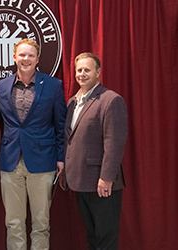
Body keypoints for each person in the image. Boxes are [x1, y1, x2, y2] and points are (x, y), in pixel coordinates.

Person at [0, 38, 67, 250]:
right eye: (22, 55)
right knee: (13, 223)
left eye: (30, 55)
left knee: (41, 223)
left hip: (42, 161)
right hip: (10, 162)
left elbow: (60, 124)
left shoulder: (54, 85)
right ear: (14, 57)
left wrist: (61, 158)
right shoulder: (2, 86)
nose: (26, 59)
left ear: (37, 59)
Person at [61, 52, 128, 250]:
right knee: (92, 235)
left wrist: (106, 177)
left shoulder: (110, 100)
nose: (82, 74)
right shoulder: (73, 102)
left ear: (98, 73)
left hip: (101, 183)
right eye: (79, 70)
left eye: (87, 70)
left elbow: (114, 142)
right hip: (80, 181)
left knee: (105, 238)